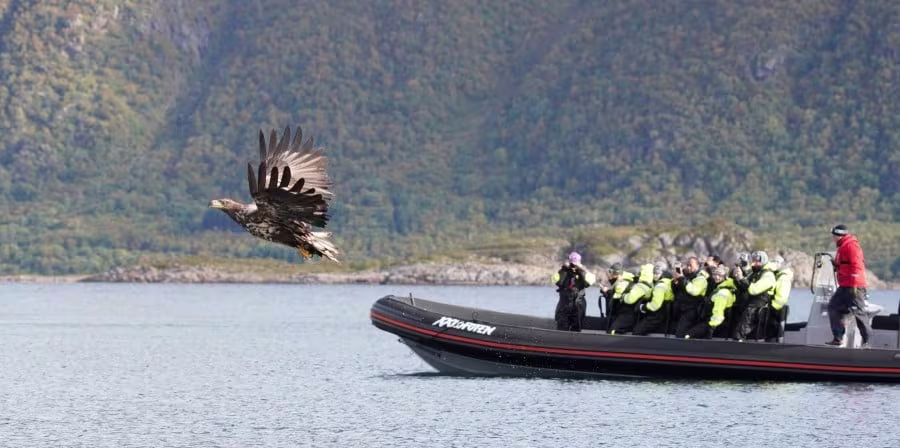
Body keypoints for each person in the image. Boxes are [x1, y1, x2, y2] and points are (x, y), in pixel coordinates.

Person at [826, 225, 872, 347]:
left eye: (834, 235)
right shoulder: (843, 246)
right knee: (833, 307)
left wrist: (855, 283)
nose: (833, 238)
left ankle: (867, 341)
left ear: (838, 235)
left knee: (859, 312)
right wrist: (836, 265)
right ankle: (838, 338)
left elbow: (857, 264)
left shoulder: (851, 245)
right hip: (845, 285)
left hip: (853, 286)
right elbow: (845, 263)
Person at [732, 251, 776, 341]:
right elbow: (745, 285)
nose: (754, 263)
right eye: (753, 261)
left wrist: (741, 278)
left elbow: (754, 290)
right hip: (747, 305)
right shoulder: (755, 273)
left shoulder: (768, 275)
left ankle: (739, 341)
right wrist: (738, 278)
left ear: (763, 261)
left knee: (740, 331)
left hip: (757, 308)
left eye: (757, 261)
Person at [684, 265, 736, 339]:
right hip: (711, 321)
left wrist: (710, 328)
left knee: (689, 335)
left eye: (720, 275)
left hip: (715, 325)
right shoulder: (717, 286)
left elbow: (718, 313)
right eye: (715, 274)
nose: (717, 277)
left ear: (725, 277)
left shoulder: (723, 292)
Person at [552, 252, 596, 331]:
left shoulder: (583, 272)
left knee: (576, 326)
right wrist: (563, 269)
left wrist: (581, 270)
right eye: (572, 264)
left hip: (578, 303)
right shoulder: (564, 272)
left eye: (575, 265)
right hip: (564, 303)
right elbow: (555, 281)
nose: (574, 267)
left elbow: (590, 281)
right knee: (562, 326)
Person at [609, 263, 654, 334]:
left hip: (628, 313)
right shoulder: (647, 285)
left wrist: (622, 295)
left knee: (613, 330)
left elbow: (629, 299)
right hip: (628, 312)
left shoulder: (640, 286)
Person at [632, 263, 674, 335]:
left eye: (657, 274)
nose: (655, 275)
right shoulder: (666, 282)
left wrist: (643, 307)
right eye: (654, 273)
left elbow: (655, 305)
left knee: (637, 331)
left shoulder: (660, 286)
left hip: (658, 314)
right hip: (665, 313)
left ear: (662, 274)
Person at [672, 257, 709, 338]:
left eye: (691, 265)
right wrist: (676, 279)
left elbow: (694, 291)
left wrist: (682, 278)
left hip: (692, 310)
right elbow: (676, 290)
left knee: (680, 334)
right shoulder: (687, 276)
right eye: (687, 265)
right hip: (681, 309)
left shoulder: (701, 278)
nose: (688, 267)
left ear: (698, 266)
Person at [600, 263, 635, 332]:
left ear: (616, 273)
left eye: (611, 272)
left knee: (612, 330)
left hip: (625, 311)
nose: (610, 274)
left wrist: (607, 290)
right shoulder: (620, 279)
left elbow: (617, 295)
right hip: (620, 310)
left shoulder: (623, 282)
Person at [765, 255, 793, 342]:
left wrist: (772, 307)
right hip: (775, 309)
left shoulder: (783, 278)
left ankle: (774, 344)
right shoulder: (777, 275)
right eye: (774, 261)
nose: (775, 263)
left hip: (777, 310)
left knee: (775, 332)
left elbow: (782, 297)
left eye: (777, 262)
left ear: (782, 264)